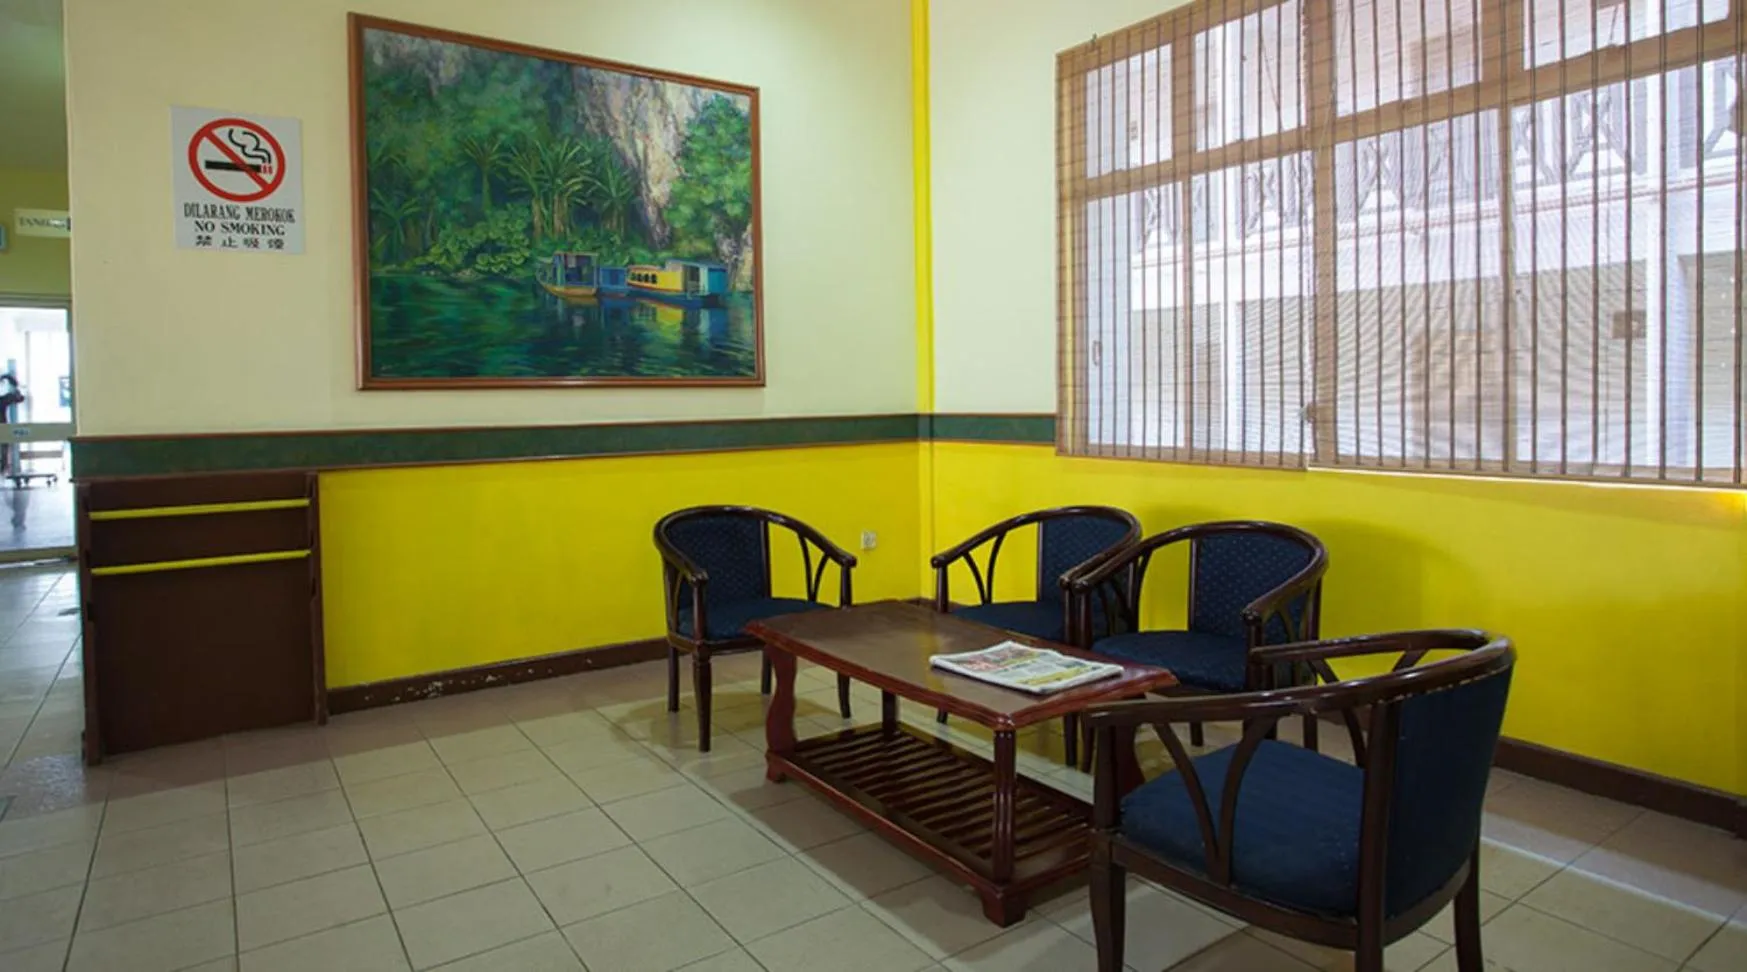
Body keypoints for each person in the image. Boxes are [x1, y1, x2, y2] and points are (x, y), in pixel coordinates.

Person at [0, 374, 25, 479]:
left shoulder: (3, 400)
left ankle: (3, 468)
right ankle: (3, 468)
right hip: (3, 428)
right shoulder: (3, 400)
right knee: (4, 449)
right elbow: (20, 398)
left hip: (3, 429)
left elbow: (19, 398)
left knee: (4, 449)